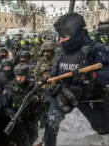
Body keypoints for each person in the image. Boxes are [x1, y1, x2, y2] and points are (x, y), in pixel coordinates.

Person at [44, 13, 109, 146]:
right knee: (51, 122)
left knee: (103, 128)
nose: (61, 40)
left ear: (76, 33)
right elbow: (54, 73)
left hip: (91, 97)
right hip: (66, 95)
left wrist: (93, 76)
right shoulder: (62, 51)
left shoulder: (97, 49)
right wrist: (50, 81)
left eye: (65, 36)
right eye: (60, 36)